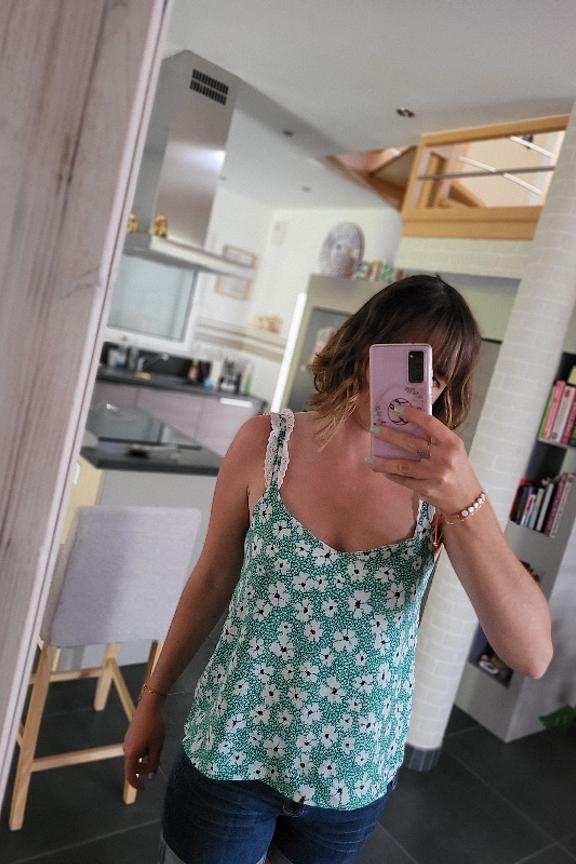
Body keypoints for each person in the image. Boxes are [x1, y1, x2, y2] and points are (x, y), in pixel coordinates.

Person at [123, 274, 553, 864]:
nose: (414, 386)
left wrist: (467, 504)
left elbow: (531, 654)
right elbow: (212, 579)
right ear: (363, 345)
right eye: (403, 359)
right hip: (232, 742)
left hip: (352, 771)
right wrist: (152, 697)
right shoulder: (265, 444)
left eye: (437, 375)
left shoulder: (441, 490)